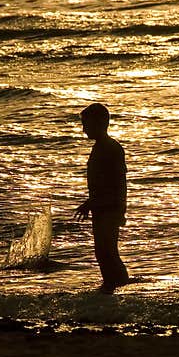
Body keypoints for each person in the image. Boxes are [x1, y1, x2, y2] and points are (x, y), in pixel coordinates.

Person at [74, 103, 129, 293]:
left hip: (109, 208)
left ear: (100, 123)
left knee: (107, 251)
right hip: (102, 207)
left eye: (86, 124)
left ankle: (117, 285)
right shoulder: (100, 147)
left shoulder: (110, 148)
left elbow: (116, 183)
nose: (84, 129)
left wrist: (119, 208)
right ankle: (111, 286)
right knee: (102, 251)